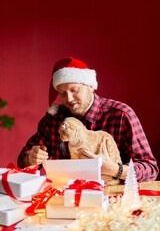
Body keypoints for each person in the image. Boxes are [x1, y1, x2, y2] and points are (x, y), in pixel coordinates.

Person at [17, 57, 159, 182]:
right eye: (63, 93)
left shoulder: (121, 115)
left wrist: (115, 170)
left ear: (90, 86)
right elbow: (23, 159)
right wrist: (30, 158)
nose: (69, 99)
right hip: (68, 199)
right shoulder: (53, 120)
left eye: (74, 90)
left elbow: (150, 169)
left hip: (113, 199)